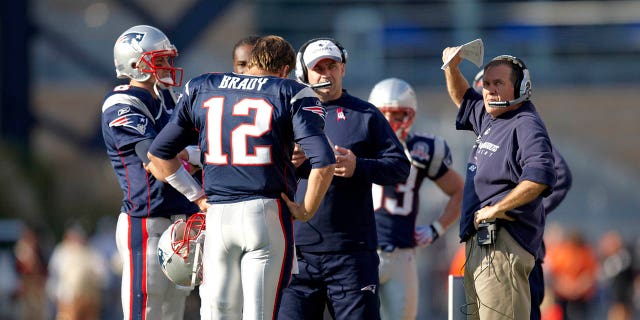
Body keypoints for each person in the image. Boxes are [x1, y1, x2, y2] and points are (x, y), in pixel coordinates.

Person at [147, 35, 336, 319]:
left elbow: (158, 155)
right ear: (285, 70)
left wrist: (196, 196)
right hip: (265, 214)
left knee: (217, 312)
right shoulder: (291, 91)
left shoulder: (204, 86)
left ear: (252, 61)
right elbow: (324, 160)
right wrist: (306, 209)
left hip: (218, 215)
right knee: (258, 314)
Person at [278, 38, 411, 320]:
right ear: (303, 74)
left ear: (343, 69)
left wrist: (357, 166)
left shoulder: (366, 114)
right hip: (296, 252)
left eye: (332, 66)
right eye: (318, 68)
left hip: (352, 252)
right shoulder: (286, 113)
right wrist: (287, 160)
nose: (326, 74)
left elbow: (400, 167)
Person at [442, 46, 557, 319]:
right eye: (487, 84)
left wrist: (497, 208)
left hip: (503, 244)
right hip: (482, 245)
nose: (490, 90)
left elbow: (539, 177)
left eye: (499, 84)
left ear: (520, 87)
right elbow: (463, 98)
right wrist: (453, 68)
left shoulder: (525, 123)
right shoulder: (492, 118)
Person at [101, 25, 199, 319]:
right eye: (160, 60)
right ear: (135, 64)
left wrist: (188, 154)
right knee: (146, 308)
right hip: (146, 220)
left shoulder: (166, 98)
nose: (168, 67)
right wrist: (199, 192)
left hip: (180, 217)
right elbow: (155, 160)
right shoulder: (122, 103)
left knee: (174, 311)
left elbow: (194, 149)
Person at [473, 69, 573, 320]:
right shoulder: (490, 132)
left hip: (519, 245)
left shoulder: (520, 128)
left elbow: (557, 173)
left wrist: (520, 208)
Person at [368, 77, 464, 320]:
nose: (390, 122)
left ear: (411, 116)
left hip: (402, 253)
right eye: (384, 114)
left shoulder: (422, 150)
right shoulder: (356, 145)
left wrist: (436, 228)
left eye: (398, 114)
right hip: (361, 251)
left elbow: (460, 191)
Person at [46, 223, 107, 320]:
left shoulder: (91, 253)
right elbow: (54, 274)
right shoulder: (61, 252)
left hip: (89, 299)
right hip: (68, 299)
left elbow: (103, 275)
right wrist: (55, 294)